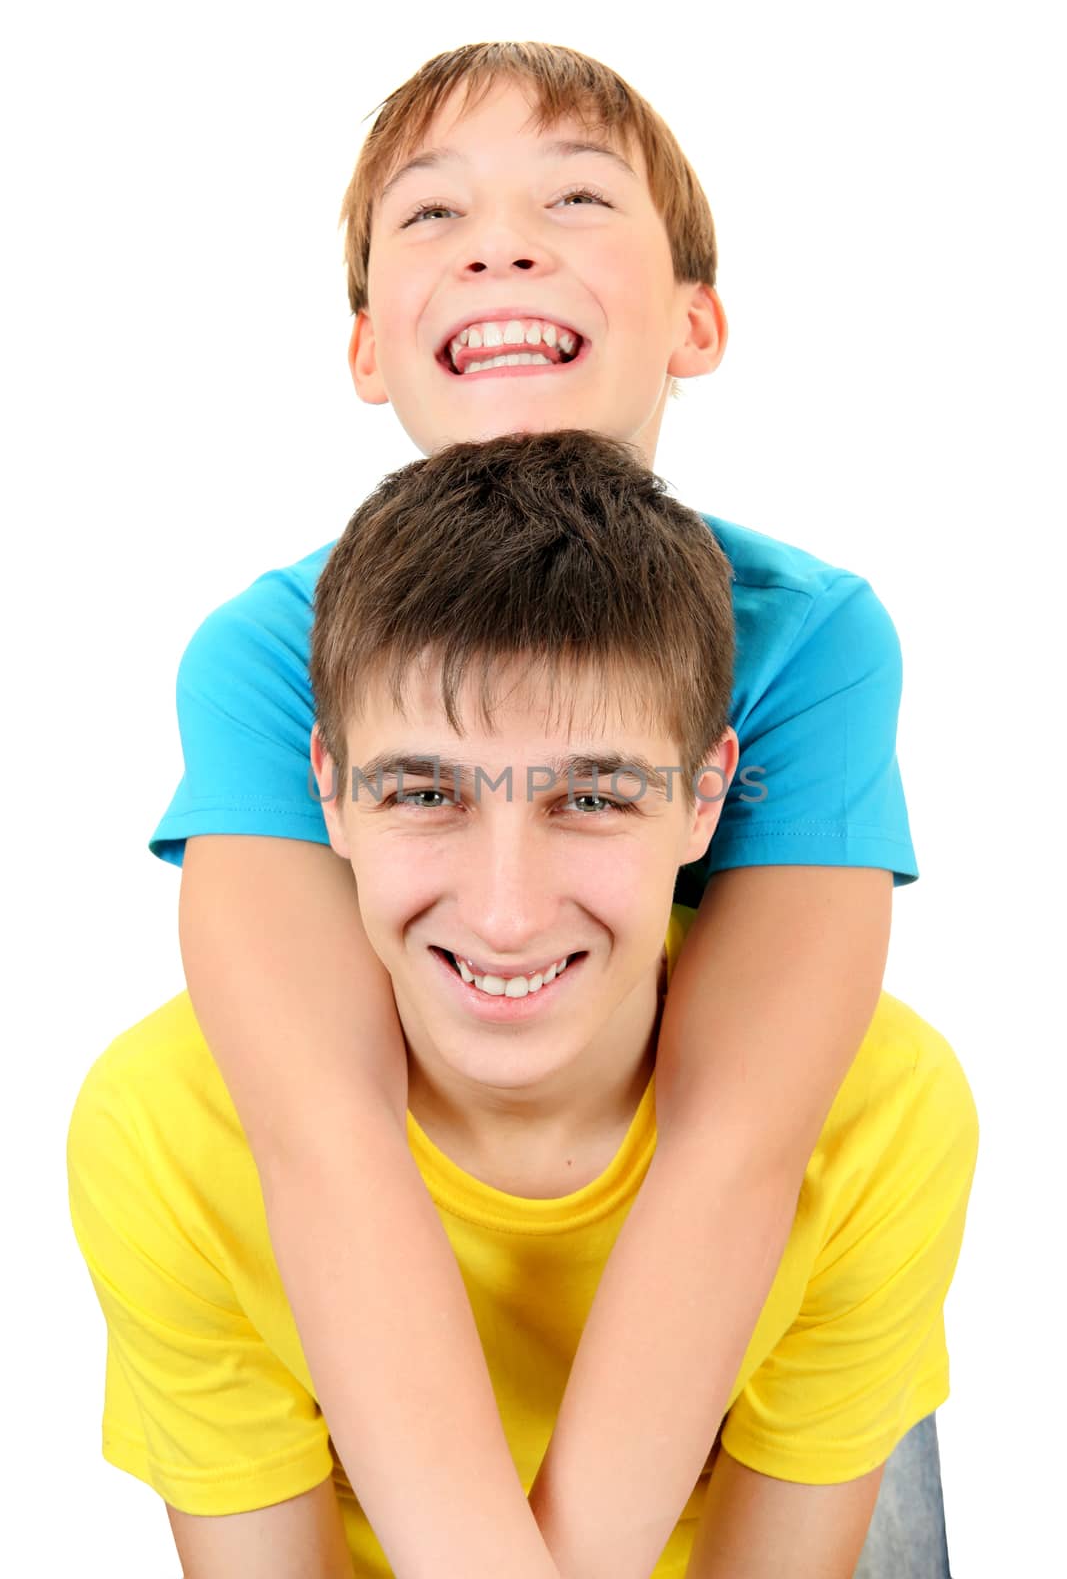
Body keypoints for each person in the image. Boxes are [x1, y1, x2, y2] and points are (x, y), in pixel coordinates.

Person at [150, 42, 944, 1579]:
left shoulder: (811, 636)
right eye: (430, 216)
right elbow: (326, 1139)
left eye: (575, 197)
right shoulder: (263, 658)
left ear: (695, 321)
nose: (503, 242)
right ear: (369, 347)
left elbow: (740, 1140)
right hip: (426, 1288)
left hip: (760, 1288)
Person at [69, 432, 978, 1578]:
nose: (505, 914)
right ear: (326, 792)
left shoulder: (876, 1117)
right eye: (423, 792)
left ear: (706, 798)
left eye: (590, 796)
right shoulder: (169, 1133)